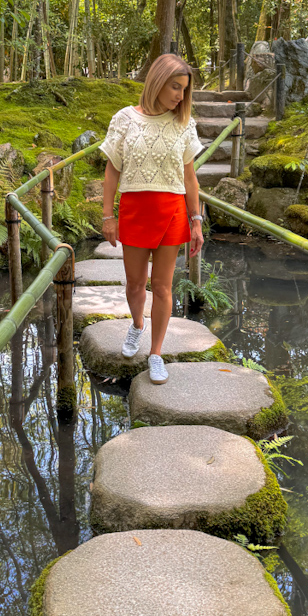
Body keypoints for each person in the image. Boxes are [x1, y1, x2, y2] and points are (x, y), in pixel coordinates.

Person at [99, 54, 204, 384]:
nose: (179, 95)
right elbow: (112, 170)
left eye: (184, 90)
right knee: (134, 284)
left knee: (162, 286)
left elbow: (189, 178)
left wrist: (196, 219)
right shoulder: (124, 119)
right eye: (175, 87)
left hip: (172, 211)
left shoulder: (183, 123)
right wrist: (107, 216)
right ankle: (137, 325)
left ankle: (156, 353)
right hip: (134, 208)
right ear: (157, 81)